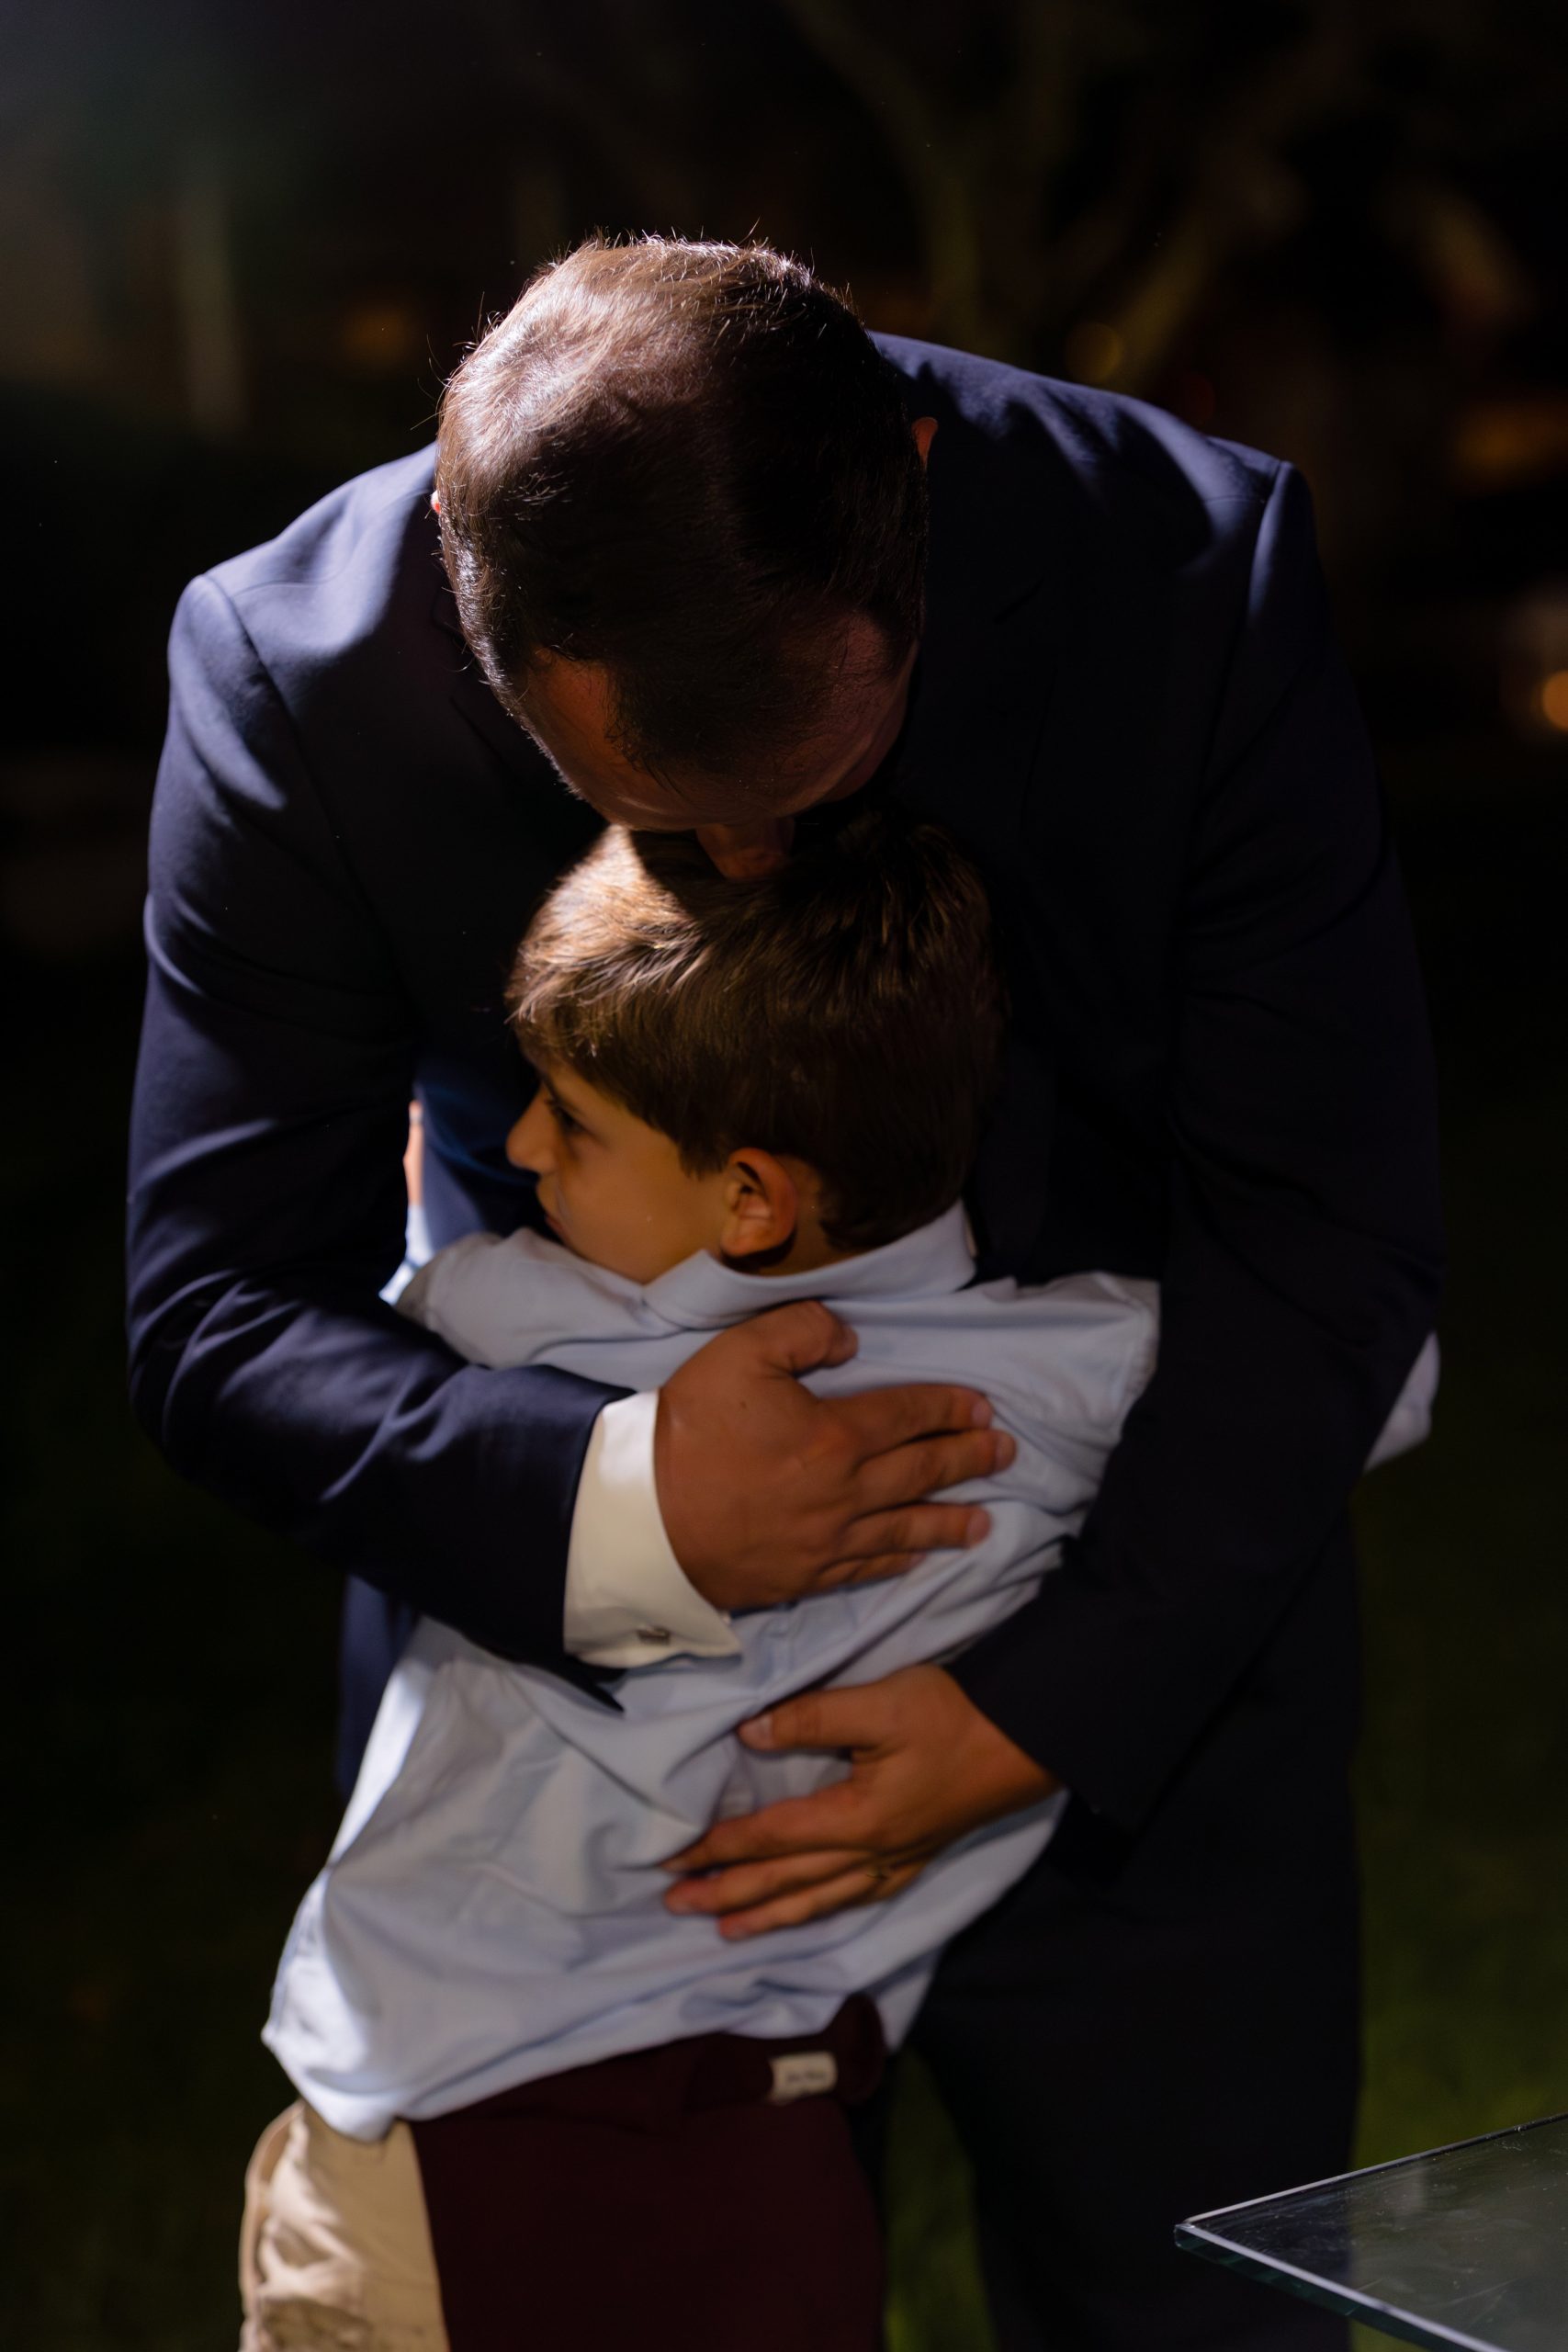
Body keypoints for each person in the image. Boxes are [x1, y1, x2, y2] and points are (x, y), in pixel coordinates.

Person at [129, 236, 1443, 2348]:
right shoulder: (302, 671)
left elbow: (1328, 1223)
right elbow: (215, 1300)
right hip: (579, 1791)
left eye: (812, 775)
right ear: (469, 604)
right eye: (653, 814)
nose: (750, 861)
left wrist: (1039, 1706)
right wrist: (629, 1505)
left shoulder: (1186, 571)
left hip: (1147, 1668)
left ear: (906, 478)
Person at [245, 807, 1157, 2351]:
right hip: (777, 2139)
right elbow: (1364, 1383)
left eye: (570, 1119)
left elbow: (310, 1358)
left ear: (751, 1199)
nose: (517, 1150)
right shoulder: (1084, 1365)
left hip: (437, 2116)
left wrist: (407, 1220)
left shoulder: (517, 1320)